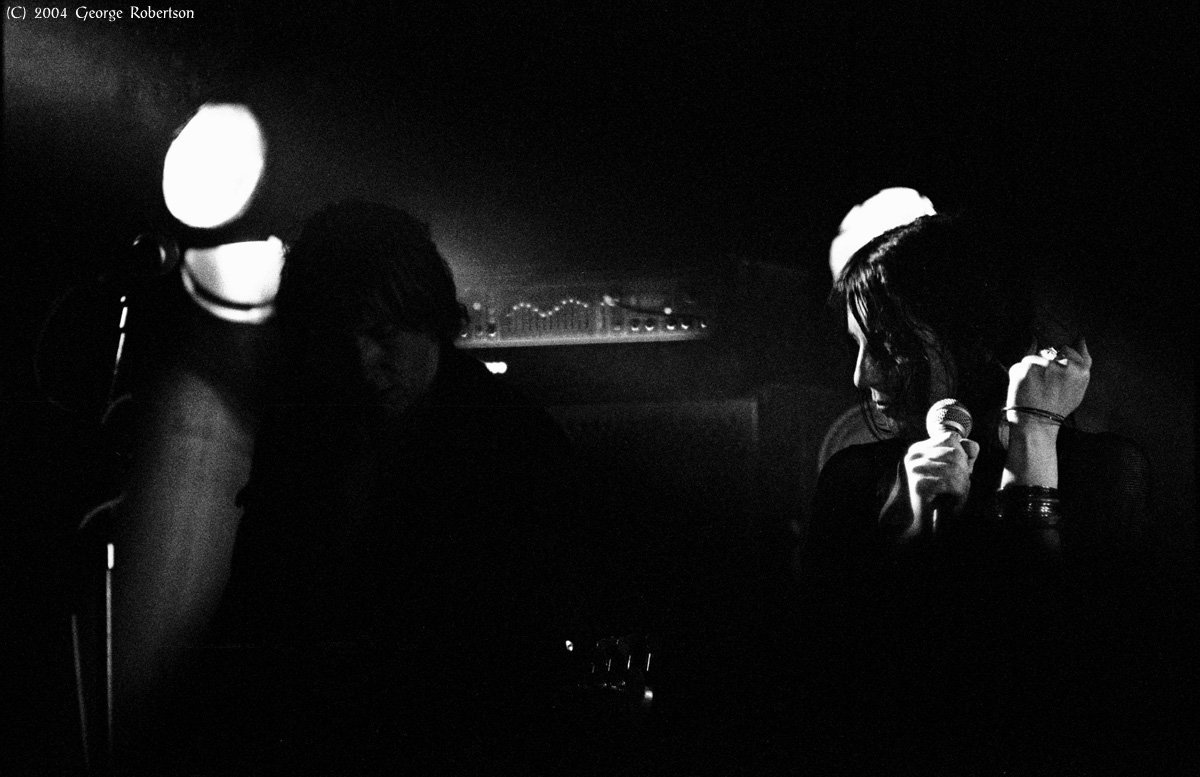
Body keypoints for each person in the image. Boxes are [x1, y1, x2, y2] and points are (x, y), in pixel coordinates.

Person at [190, 201, 585, 774]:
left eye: (382, 333)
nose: (361, 362)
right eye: (337, 339)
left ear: (430, 317)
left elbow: (526, 652)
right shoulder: (306, 435)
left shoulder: (515, 445)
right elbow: (256, 605)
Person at [792, 213, 1191, 773]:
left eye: (887, 344)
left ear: (974, 338)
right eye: (857, 346)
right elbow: (824, 691)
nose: (862, 375)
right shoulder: (856, 479)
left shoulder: (1104, 473)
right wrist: (913, 537)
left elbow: (1079, 685)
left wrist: (1035, 436)